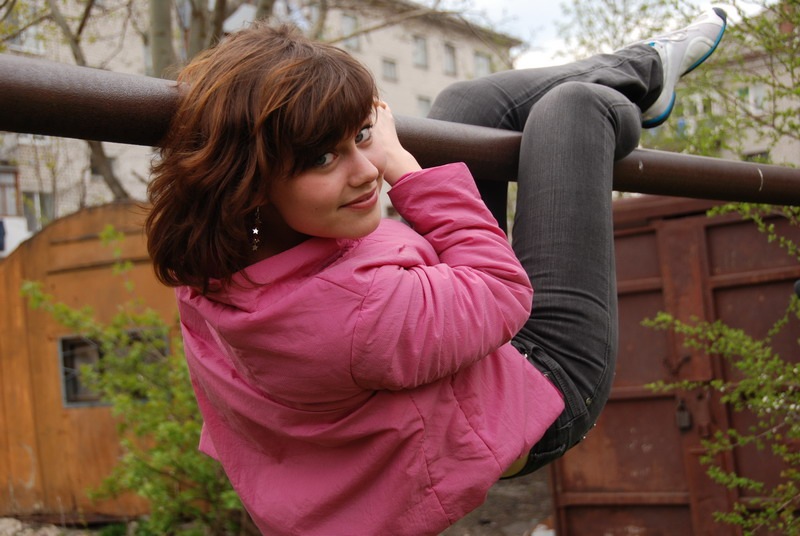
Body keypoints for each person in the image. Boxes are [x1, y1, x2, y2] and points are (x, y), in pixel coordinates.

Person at [145, 8, 727, 535]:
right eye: (324, 157)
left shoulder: (210, 272)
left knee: (466, 109)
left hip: (449, 363)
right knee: (575, 109)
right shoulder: (357, 313)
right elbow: (503, 291)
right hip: (540, 380)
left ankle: (643, 64)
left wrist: (355, 149)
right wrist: (404, 166)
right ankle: (637, 82)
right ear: (248, 183)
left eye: (361, 135)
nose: (365, 170)